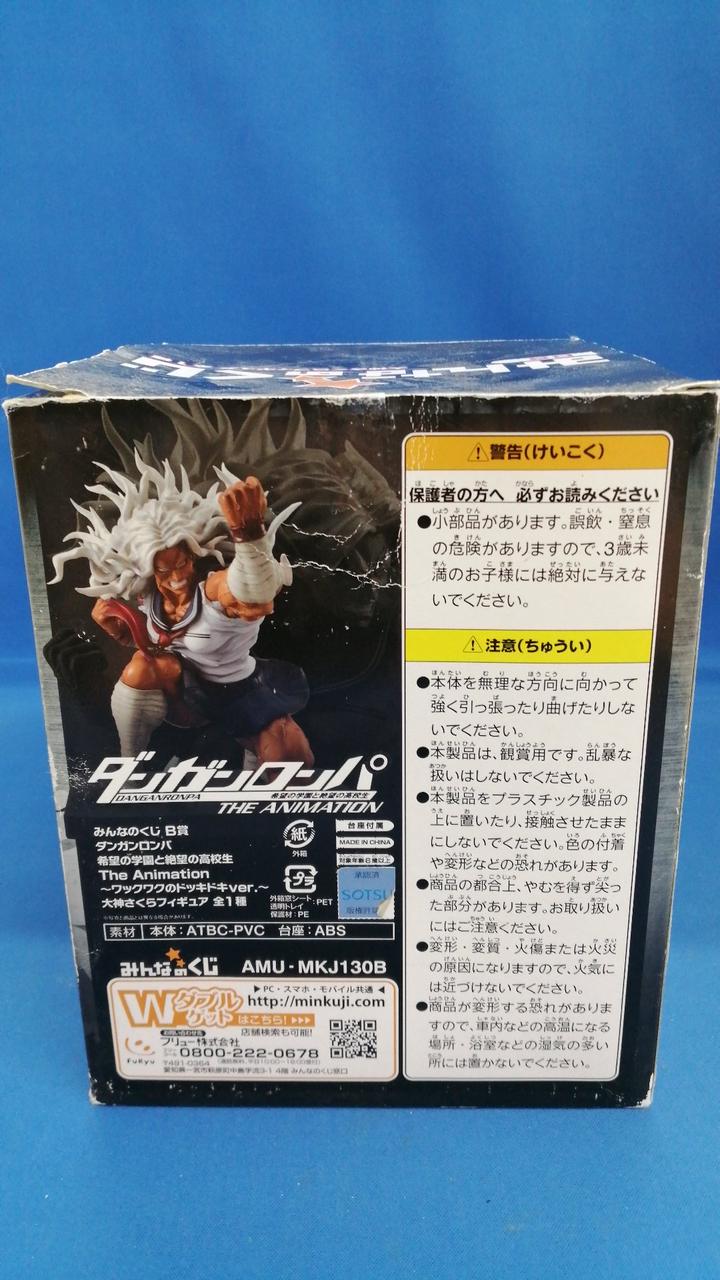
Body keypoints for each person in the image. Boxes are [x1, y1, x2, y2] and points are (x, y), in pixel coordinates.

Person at [50, 457, 313, 764]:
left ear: (193, 555)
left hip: (241, 691)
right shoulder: (147, 597)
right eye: (164, 571)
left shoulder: (213, 590)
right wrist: (124, 633)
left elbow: (252, 592)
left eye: (182, 563)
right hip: (187, 698)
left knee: (288, 754)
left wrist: (248, 537)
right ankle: (129, 765)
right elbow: (166, 647)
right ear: (148, 570)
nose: (176, 578)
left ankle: (252, 777)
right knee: (141, 665)